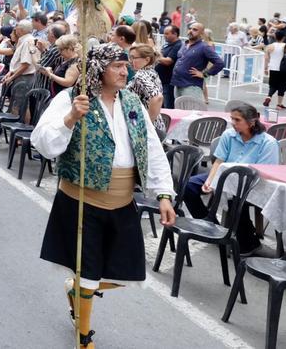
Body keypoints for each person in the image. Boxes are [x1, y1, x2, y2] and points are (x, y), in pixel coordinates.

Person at [32, 43, 175, 349]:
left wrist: (164, 193)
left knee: (127, 271)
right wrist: (70, 118)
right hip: (82, 201)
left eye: (126, 66)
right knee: (88, 272)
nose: (125, 71)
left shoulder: (133, 102)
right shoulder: (72, 99)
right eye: (117, 66)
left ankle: (76, 291)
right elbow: (42, 143)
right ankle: (83, 337)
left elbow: (151, 147)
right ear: (99, 68)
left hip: (122, 200)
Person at [180, 103, 277, 254]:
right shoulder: (229, 135)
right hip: (226, 176)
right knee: (189, 186)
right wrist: (210, 181)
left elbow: (264, 173)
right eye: (232, 119)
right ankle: (210, 226)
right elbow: (219, 161)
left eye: (237, 120)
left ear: (251, 122)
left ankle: (248, 242)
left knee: (235, 197)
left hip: (253, 184)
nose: (233, 123)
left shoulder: (268, 143)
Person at [170, 23, 223, 103]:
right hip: (177, 84)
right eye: (190, 28)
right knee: (180, 111)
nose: (191, 31)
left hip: (191, 86)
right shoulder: (184, 44)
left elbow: (220, 63)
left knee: (192, 112)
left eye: (195, 30)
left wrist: (205, 74)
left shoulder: (204, 47)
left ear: (201, 33)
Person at [3, 19, 40, 117]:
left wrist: (12, 77)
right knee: (18, 103)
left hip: (25, 77)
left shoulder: (28, 41)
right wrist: (10, 73)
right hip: (20, 76)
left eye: (17, 27)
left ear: (22, 30)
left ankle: (20, 127)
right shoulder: (23, 40)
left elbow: (25, 64)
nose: (15, 29)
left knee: (21, 105)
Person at [126, 45, 164, 126]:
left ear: (147, 59)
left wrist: (147, 124)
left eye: (134, 58)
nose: (130, 61)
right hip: (158, 124)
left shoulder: (141, 75)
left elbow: (157, 97)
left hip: (148, 128)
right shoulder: (151, 72)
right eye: (130, 58)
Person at [263, 29, 286, 110]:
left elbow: (266, 58)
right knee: (283, 84)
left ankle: (269, 96)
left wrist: (265, 68)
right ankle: (279, 104)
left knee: (273, 85)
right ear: (284, 37)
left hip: (273, 68)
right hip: (284, 69)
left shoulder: (269, 46)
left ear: (275, 37)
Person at [156, 25, 182, 110]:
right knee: (161, 104)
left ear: (175, 34)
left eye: (167, 33)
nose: (165, 35)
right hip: (161, 80)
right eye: (164, 33)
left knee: (168, 105)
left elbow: (168, 61)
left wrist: (155, 57)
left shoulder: (178, 45)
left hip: (168, 81)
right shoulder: (167, 45)